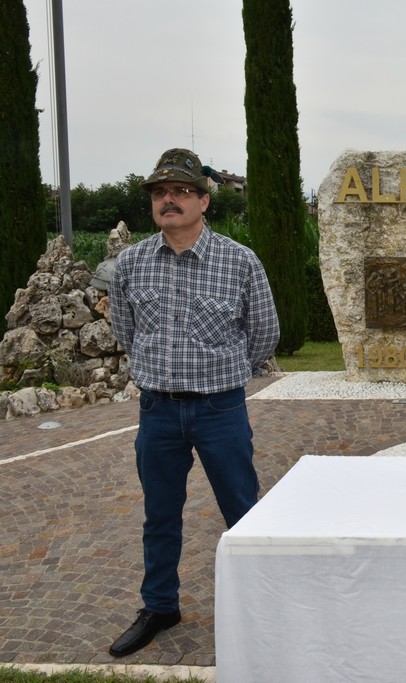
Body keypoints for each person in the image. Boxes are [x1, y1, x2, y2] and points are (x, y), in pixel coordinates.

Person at [107, 148, 280, 657]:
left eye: (181, 191)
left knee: (243, 511)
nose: (169, 200)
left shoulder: (239, 261)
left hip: (220, 411)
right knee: (160, 515)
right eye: (161, 192)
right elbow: (125, 329)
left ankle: (262, 604)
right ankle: (160, 605)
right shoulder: (131, 264)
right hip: (157, 412)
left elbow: (263, 334)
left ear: (204, 200)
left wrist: (225, 377)